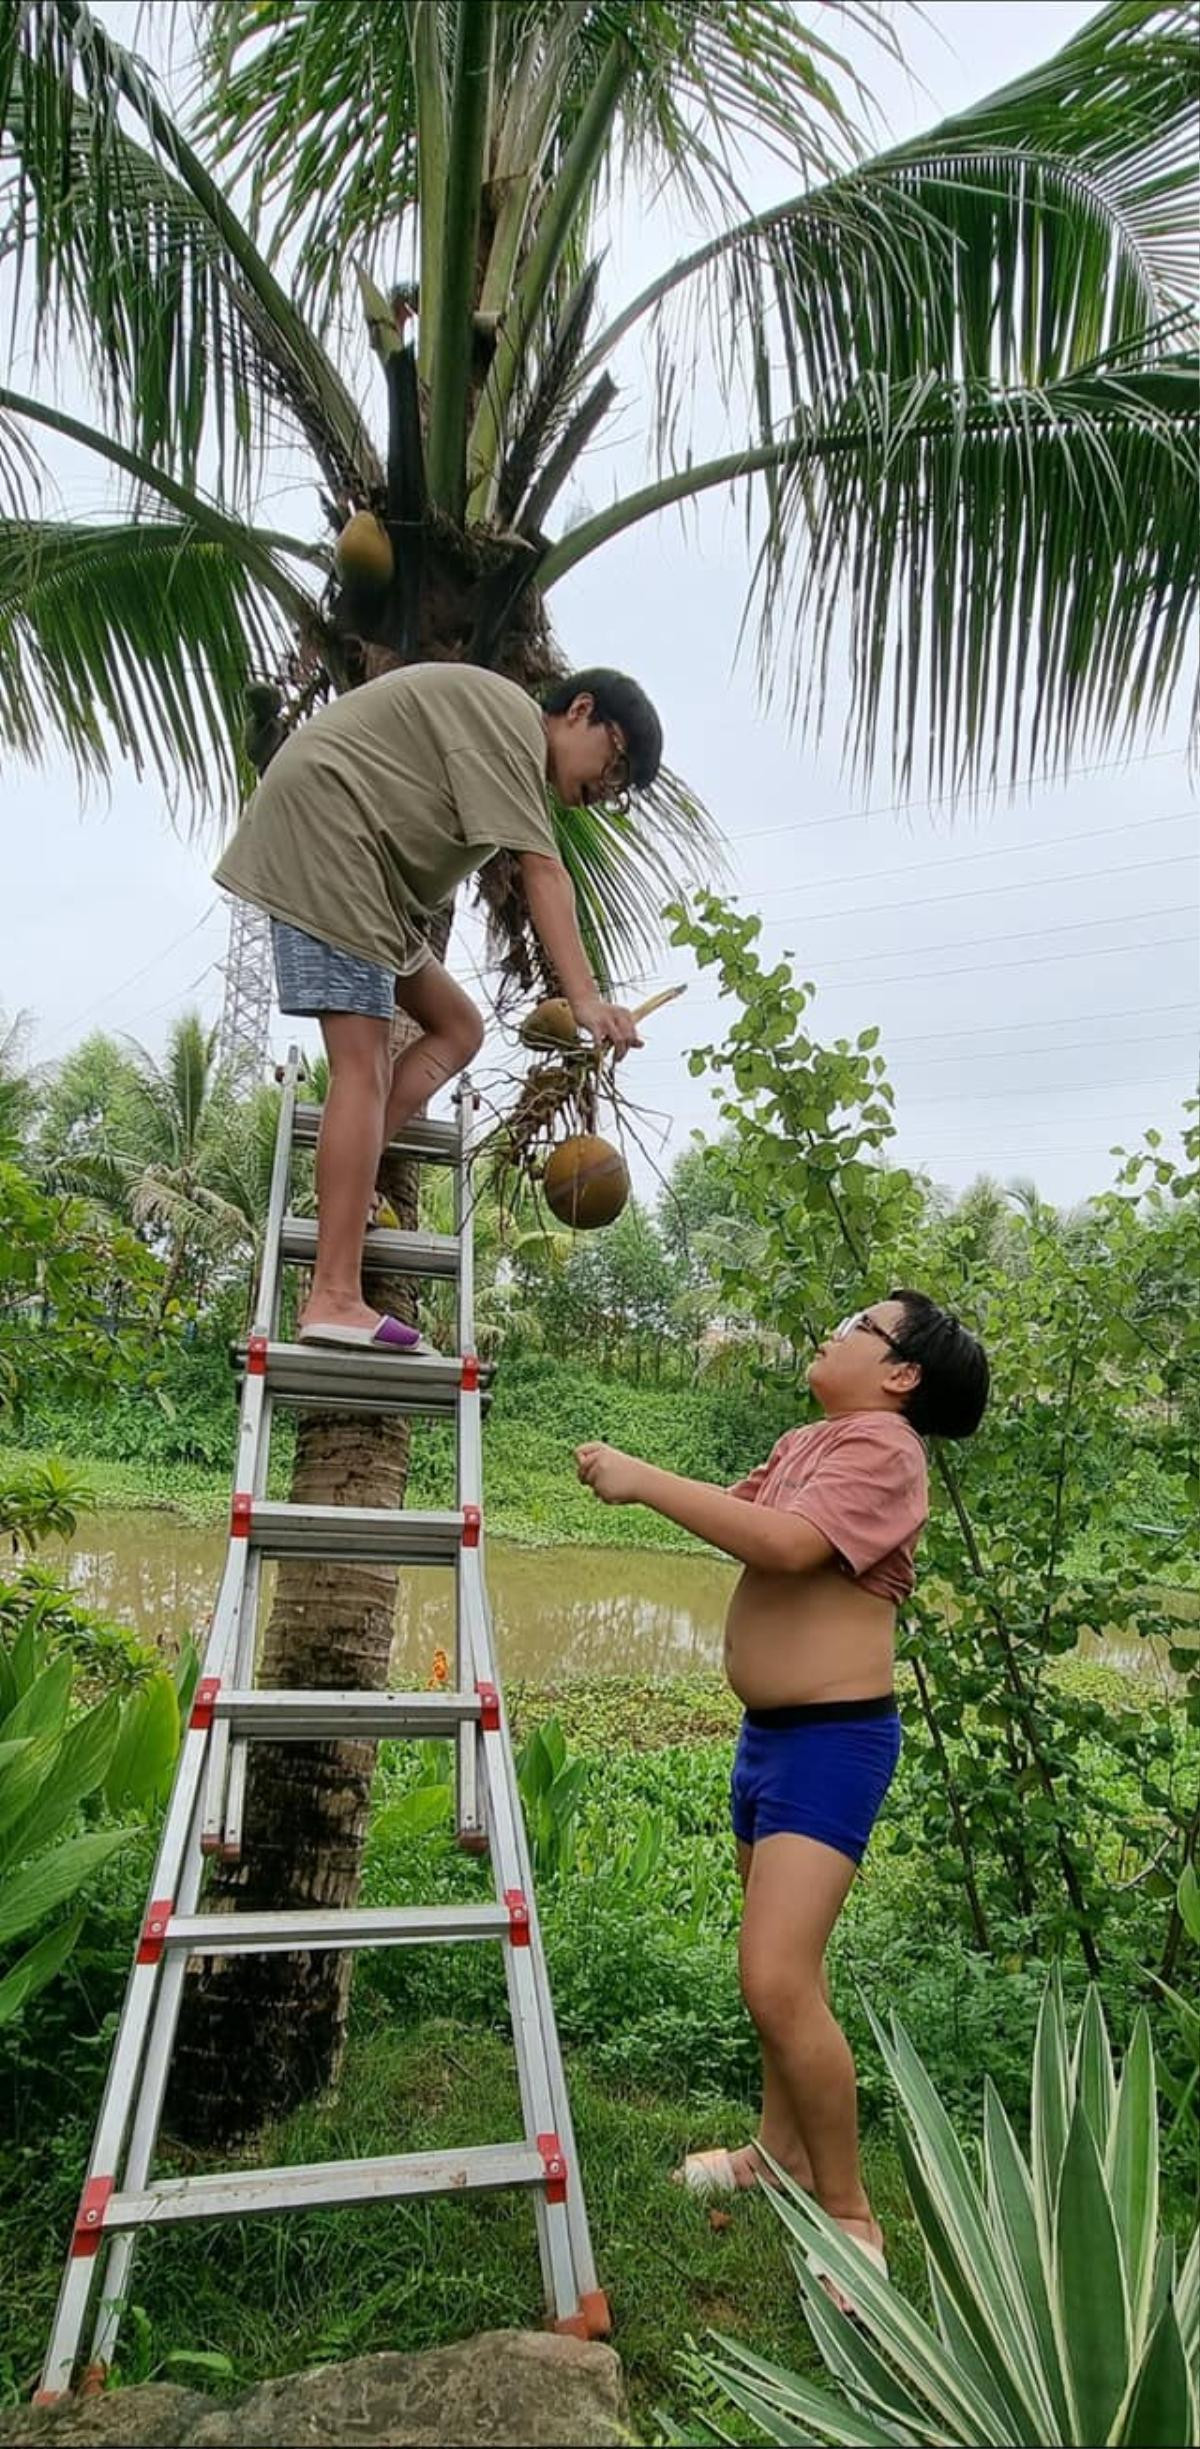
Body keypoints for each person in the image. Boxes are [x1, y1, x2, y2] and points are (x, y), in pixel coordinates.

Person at [575, 1290, 988, 2306]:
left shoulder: (887, 1451)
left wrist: (642, 1479)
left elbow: (791, 1546)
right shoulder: (811, 1437)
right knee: (777, 1977)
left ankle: (849, 2210)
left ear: (900, 1374)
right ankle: (778, 2156)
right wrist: (661, 1485)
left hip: (832, 1745)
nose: (836, 1330)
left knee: (775, 1978)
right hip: (770, 1741)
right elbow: (749, 1519)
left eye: (861, 1324)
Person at [214, 663, 662, 1351]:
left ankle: (352, 1174)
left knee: (459, 1027)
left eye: (620, 790)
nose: (607, 789)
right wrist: (586, 1000)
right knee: (359, 1065)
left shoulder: (505, 740)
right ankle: (333, 1295)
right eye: (616, 763)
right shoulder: (515, 725)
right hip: (332, 840)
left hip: (368, 879)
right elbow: (543, 872)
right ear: (579, 711)